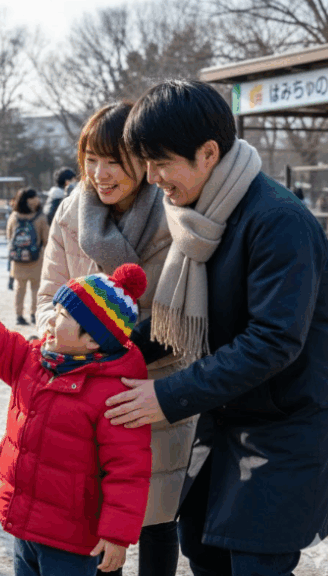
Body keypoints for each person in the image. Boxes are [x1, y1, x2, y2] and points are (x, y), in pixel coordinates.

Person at [105, 80, 328, 576]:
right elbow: (181, 322)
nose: (151, 178)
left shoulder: (278, 221)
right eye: (145, 163)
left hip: (285, 427)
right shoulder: (202, 216)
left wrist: (165, 396)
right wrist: (103, 348)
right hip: (224, 419)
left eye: (161, 162)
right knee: (202, 547)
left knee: (254, 559)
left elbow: (273, 341)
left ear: (208, 153)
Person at [36, 102, 195, 576]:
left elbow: (179, 314)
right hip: (83, 391)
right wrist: (55, 331)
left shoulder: (174, 214)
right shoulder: (69, 212)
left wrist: (109, 354)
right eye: (90, 159)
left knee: (157, 518)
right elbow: (49, 297)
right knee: (97, 520)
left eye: (113, 161)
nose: (99, 174)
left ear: (141, 160)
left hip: (154, 385)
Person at [0, 263, 154, 575]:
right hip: (26, 524)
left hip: (71, 541)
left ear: (92, 340)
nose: (51, 319)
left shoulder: (115, 395)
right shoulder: (35, 360)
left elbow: (129, 471)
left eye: (63, 315)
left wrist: (116, 535)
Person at [7, 188, 49, 326]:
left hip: (18, 260)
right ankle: (33, 314)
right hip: (36, 259)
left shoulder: (14, 216)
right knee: (36, 288)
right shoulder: (40, 218)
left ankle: (19, 315)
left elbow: (9, 236)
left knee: (20, 288)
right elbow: (46, 239)